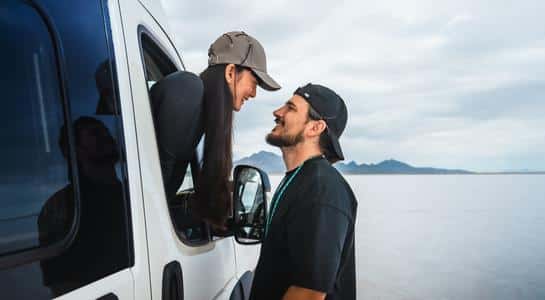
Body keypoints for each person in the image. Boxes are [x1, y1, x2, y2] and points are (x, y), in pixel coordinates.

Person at [150, 31, 280, 226]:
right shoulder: (189, 90)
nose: (253, 94)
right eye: (254, 83)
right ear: (230, 73)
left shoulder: (200, 109)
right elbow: (152, 192)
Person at [250, 84, 358, 300]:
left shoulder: (322, 190)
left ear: (315, 128)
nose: (277, 112)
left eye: (290, 108)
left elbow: (309, 293)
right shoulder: (300, 179)